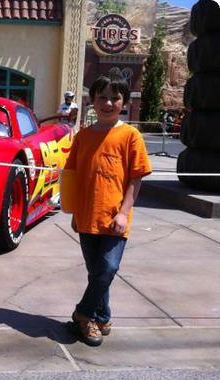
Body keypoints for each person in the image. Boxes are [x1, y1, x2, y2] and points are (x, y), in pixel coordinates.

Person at [61, 74, 152, 346]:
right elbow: (73, 176)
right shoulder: (84, 136)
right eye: (102, 97)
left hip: (115, 219)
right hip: (87, 217)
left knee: (108, 268)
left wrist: (123, 213)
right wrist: (74, 212)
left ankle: (83, 314)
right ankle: (103, 316)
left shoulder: (130, 136)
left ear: (123, 102)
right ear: (92, 101)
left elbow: (136, 178)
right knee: (96, 273)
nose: (108, 102)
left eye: (115, 97)